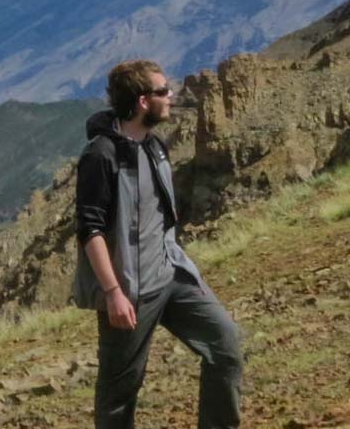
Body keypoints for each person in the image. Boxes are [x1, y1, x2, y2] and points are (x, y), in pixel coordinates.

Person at [71, 59, 244, 429]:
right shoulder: (101, 155)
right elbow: (90, 229)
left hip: (170, 276)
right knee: (119, 395)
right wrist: (113, 292)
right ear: (141, 101)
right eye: (164, 91)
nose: (172, 96)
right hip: (131, 292)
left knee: (225, 344)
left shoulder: (154, 144)